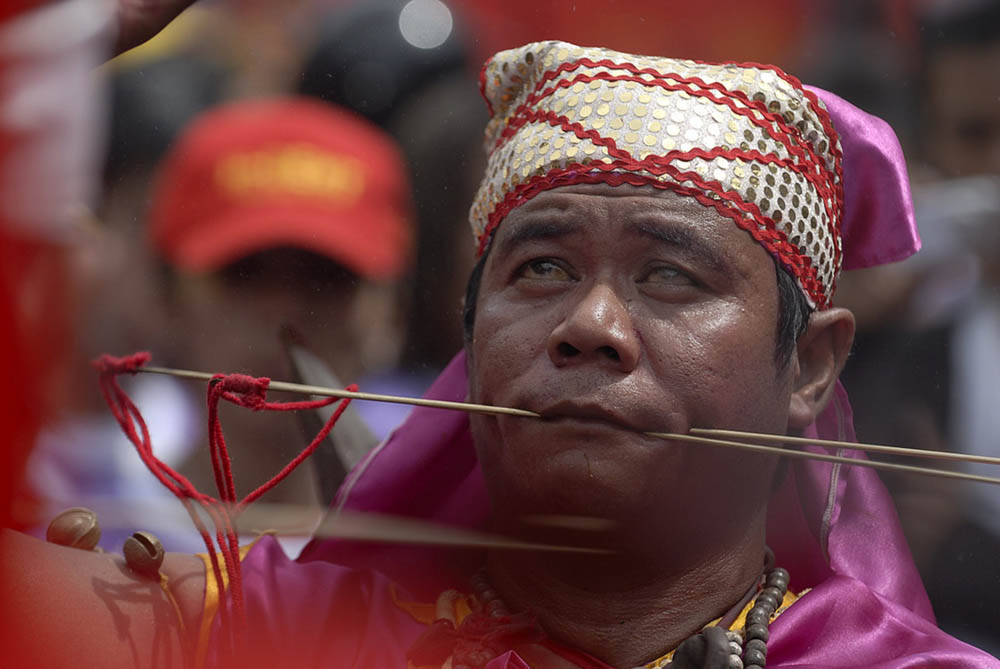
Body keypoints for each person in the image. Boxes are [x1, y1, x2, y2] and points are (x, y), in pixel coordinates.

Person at [3, 40, 998, 668]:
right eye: (540, 270)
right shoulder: (264, 633)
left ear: (811, 367)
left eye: (669, 278)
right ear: (466, 333)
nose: (590, 323)